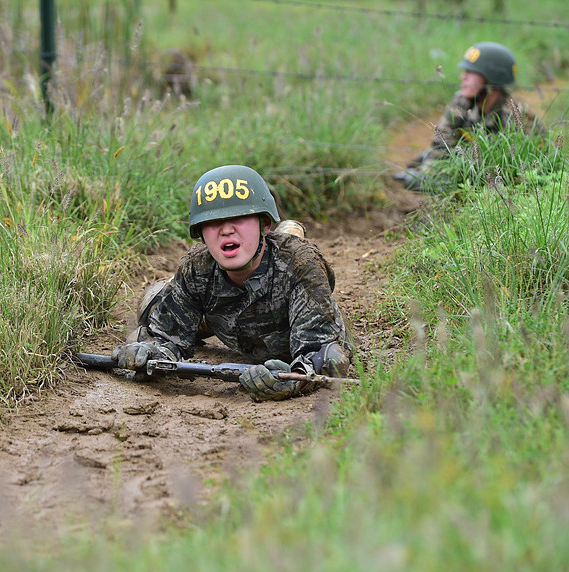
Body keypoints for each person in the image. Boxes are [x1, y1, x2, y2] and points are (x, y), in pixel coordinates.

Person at [111, 164, 353, 402]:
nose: (226, 230)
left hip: (290, 323)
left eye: (239, 217)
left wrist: (293, 380)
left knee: (333, 356)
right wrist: (147, 354)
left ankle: (290, 231)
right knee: (152, 303)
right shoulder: (196, 268)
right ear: (201, 234)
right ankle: (200, 322)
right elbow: (164, 338)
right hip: (227, 322)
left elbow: (320, 353)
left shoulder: (301, 265)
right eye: (214, 222)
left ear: (264, 224)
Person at [393, 41, 545, 192]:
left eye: (471, 73)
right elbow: (442, 142)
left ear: (491, 80)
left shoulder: (516, 117)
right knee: (423, 160)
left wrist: (434, 181)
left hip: (498, 178)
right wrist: (427, 173)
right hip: (470, 161)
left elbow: (508, 172)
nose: (463, 76)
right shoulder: (463, 101)